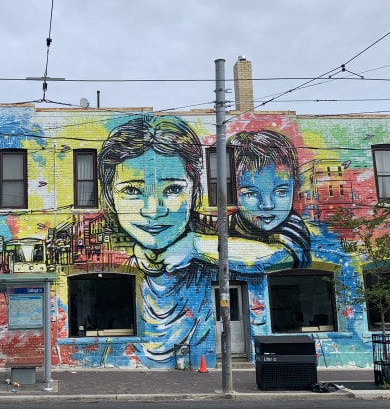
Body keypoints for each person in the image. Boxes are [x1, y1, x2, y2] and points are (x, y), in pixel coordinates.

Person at [98, 114, 218, 365]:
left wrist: (196, 245)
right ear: (110, 194)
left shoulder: (210, 248)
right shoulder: (101, 252)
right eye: (132, 190)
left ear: (194, 190)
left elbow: (278, 251)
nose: (153, 210)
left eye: (173, 189)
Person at [226, 129, 311, 270]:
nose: (267, 205)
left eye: (281, 192)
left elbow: (273, 259)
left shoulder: (293, 227)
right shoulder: (233, 222)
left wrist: (196, 244)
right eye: (251, 194)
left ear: (294, 187)